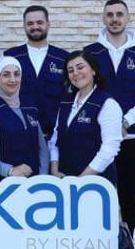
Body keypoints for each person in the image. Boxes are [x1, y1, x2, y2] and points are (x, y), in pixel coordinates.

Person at [84, 0, 135, 235]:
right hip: (98, 138)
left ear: (128, 18)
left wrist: (126, 121)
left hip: (131, 137)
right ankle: (98, 240)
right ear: (103, 18)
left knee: (130, 195)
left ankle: (131, 246)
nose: (114, 19)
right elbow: (85, 91)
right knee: (98, 192)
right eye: (110, 14)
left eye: (119, 14)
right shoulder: (90, 53)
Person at [48, 50, 122, 184]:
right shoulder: (66, 102)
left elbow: (109, 149)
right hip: (65, 181)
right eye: (70, 70)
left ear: (93, 70)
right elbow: (55, 139)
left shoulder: (107, 104)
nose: (75, 73)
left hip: (96, 183)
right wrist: (54, 169)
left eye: (80, 67)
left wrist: (81, 180)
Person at [2, 5, 69, 139]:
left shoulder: (63, 58)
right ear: (24, 26)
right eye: (30, 23)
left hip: (55, 137)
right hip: (19, 136)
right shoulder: (10, 57)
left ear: (48, 24)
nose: (35, 27)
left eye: (39, 22)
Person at [0, 56, 49, 178]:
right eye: (6, 75)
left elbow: (42, 146)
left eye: (17, 74)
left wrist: (43, 176)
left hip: (35, 181)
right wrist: (8, 170)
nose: (13, 79)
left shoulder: (29, 103)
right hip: (4, 183)